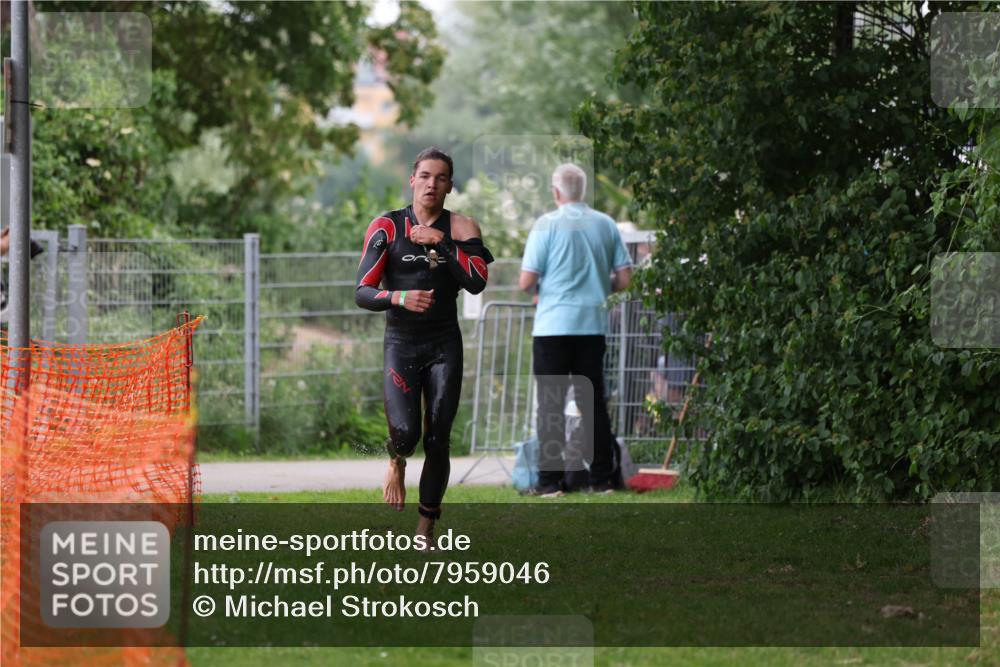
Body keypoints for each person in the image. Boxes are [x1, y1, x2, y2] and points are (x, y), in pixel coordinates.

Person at [355, 147, 493, 542]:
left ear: (450, 186)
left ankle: (426, 528)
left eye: (442, 178)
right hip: (401, 341)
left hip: (443, 343)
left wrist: (442, 243)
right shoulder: (387, 226)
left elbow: (476, 282)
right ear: (412, 180)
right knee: (405, 433)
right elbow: (362, 292)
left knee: (438, 436)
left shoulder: (464, 227)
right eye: (426, 176)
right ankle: (396, 458)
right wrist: (399, 298)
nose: (433, 184)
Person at [519, 163, 633, 496]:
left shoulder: (545, 225)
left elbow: (526, 280)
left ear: (556, 192)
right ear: (583, 191)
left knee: (551, 404)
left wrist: (540, 291)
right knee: (594, 401)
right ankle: (601, 480)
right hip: (592, 325)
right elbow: (624, 278)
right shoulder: (606, 224)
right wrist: (599, 287)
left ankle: (550, 482)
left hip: (553, 326)